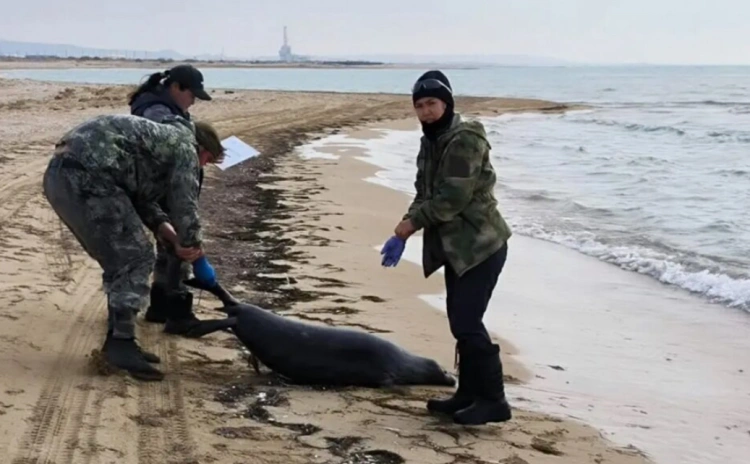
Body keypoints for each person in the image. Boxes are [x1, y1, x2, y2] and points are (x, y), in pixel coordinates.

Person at [42, 113, 223, 381]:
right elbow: (185, 205)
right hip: (87, 176)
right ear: (203, 149)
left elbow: (141, 199)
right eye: (207, 160)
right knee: (135, 258)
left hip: (61, 176)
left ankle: (119, 340)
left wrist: (168, 234)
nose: (202, 167)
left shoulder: (159, 143)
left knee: (120, 261)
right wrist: (193, 245)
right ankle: (121, 345)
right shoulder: (185, 146)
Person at [380, 70, 513, 425]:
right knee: (460, 322)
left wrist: (408, 227)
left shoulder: (465, 139)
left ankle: (494, 400)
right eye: (419, 105)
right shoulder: (431, 141)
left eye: (432, 104)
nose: (425, 112)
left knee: (468, 322)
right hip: (456, 248)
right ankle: (467, 394)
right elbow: (424, 193)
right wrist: (404, 226)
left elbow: (452, 199)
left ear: (447, 103)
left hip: (481, 245)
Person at [127, 64, 216, 336]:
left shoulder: (166, 108)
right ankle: (178, 314)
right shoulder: (157, 113)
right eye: (192, 95)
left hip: (160, 185)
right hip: (163, 188)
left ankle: (160, 307)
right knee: (179, 248)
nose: (192, 101)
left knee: (168, 248)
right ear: (176, 87)